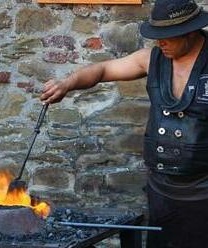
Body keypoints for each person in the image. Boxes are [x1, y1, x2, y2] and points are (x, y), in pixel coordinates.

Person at [40, 0, 208, 247]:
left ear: (190, 31)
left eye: (168, 36)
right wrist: (68, 83)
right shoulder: (151, 59)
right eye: (157, 35)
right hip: (162, 190)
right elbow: (102, 70)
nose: (160, 42)